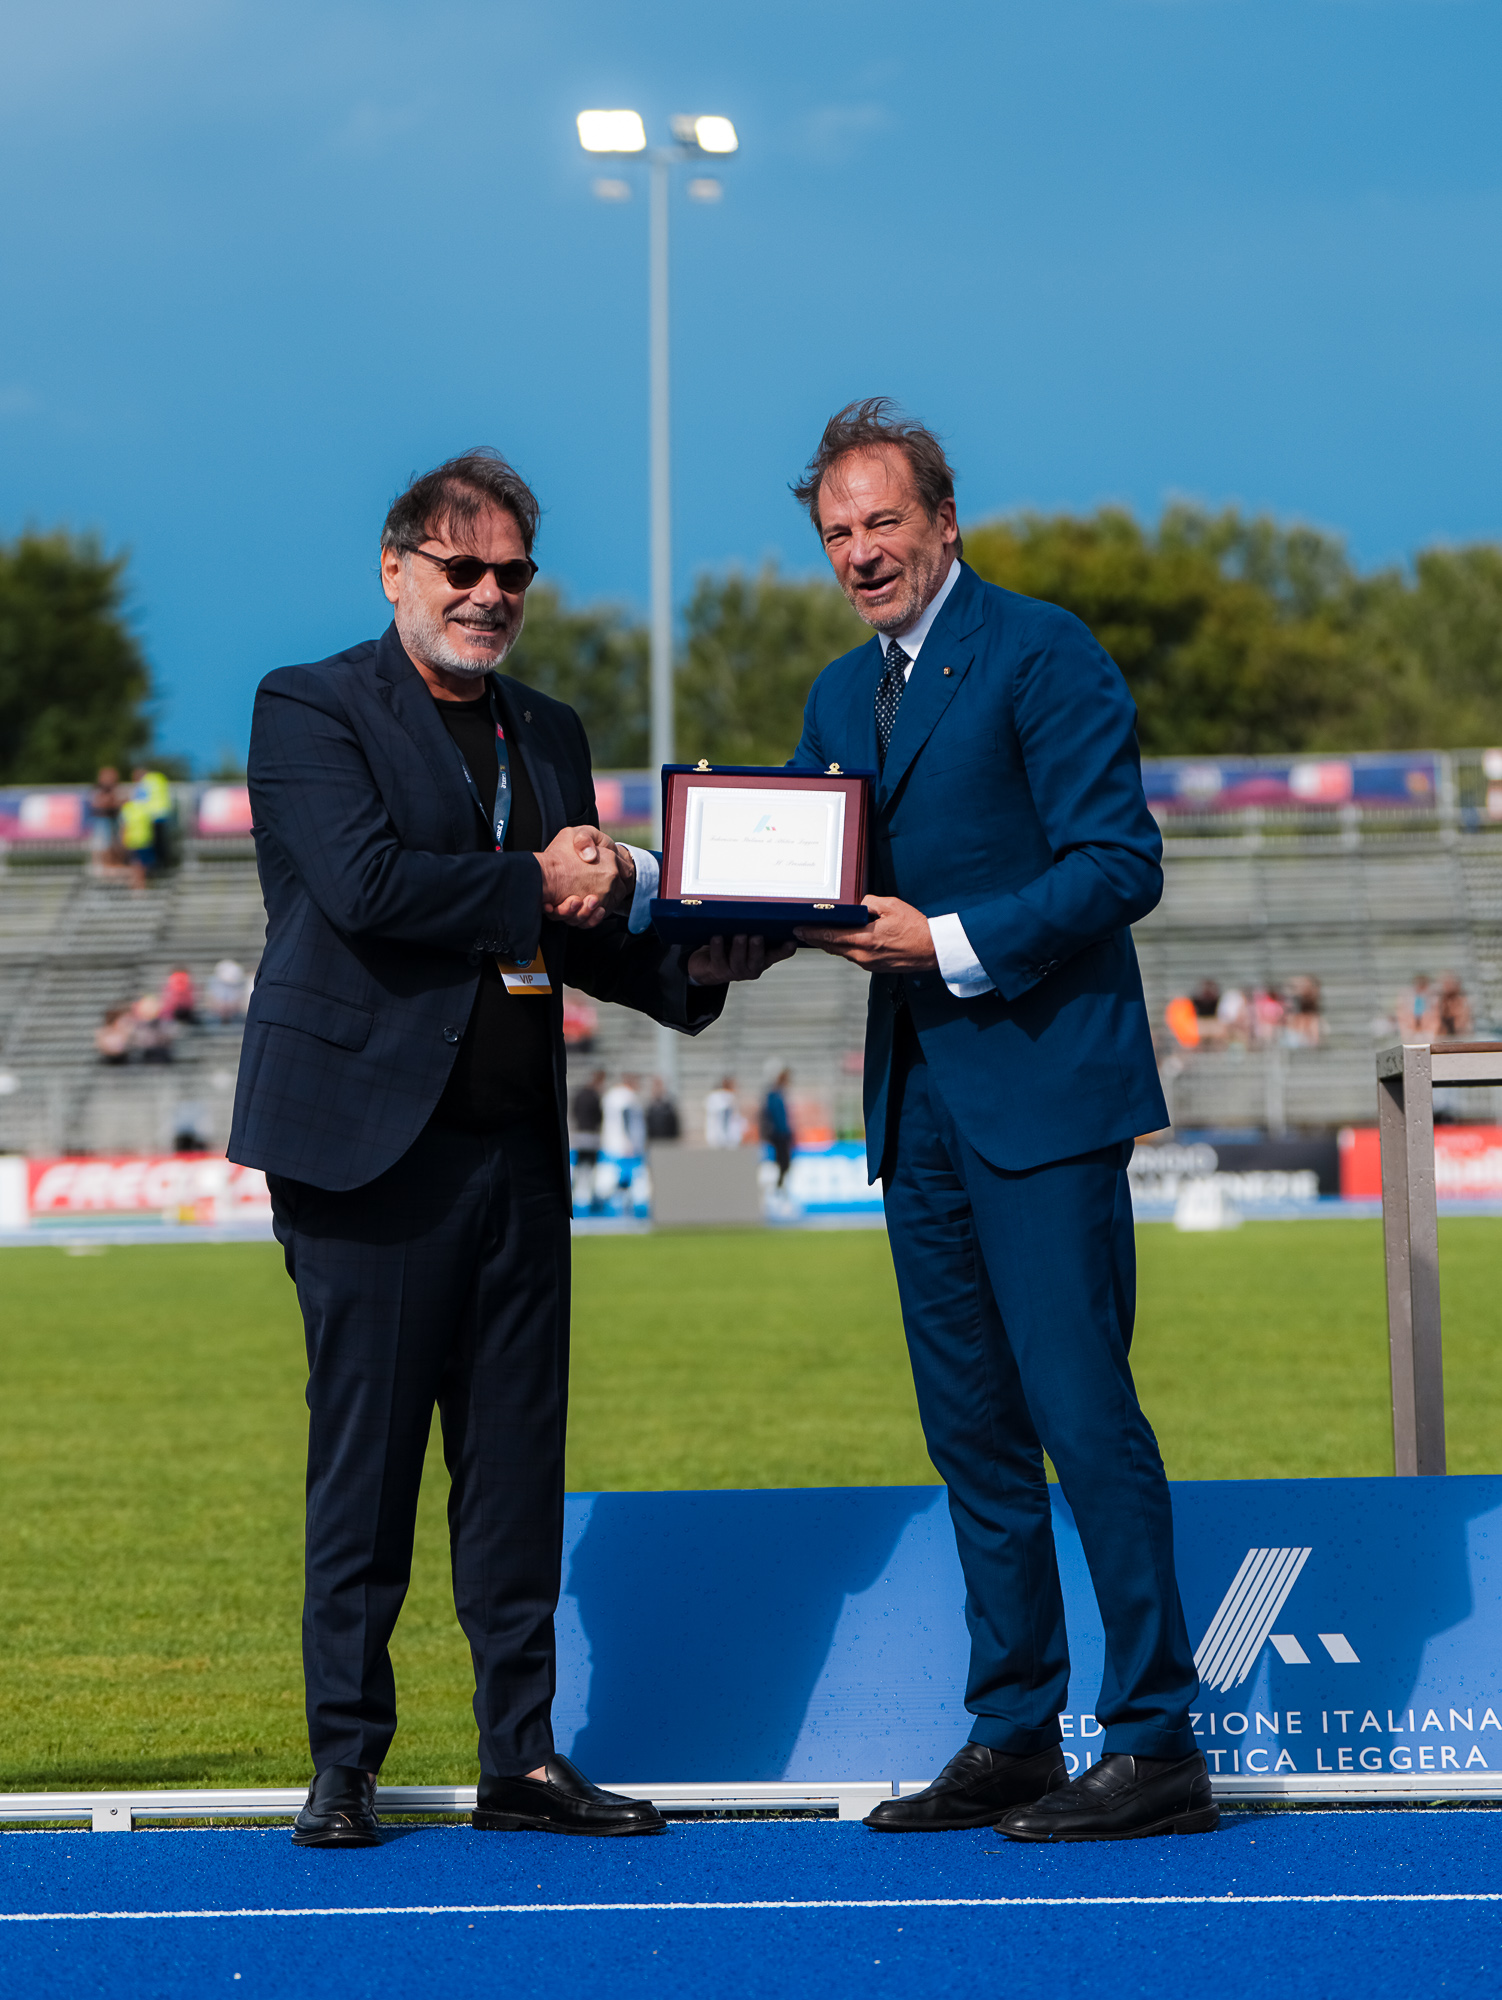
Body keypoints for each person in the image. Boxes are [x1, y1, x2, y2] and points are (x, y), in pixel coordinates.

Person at [227, 448, 786, 1849]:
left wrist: (696, 960)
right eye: (461, 566)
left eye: (512, 573)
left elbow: (571, 930)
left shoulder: (546, 728)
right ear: (394, 567)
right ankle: (345, 1759)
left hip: (516, 1151)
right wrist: (540, 875)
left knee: (516, 1471)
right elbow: (363, 885)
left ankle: (519, 1758)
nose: (488, 593)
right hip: (365, 1152)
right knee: (365, 1470)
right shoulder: (308, 705)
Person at [788, 401, 1211, 1843]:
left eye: (881, 522)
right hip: (916, 1104)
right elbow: (790, 870)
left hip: (1043, 1093)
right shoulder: (838, 696)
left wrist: (949, 941)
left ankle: (1153, 1740)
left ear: (944, 521)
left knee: (1083, 1419)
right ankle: (1014, 1728)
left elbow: (1119, 861)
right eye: (836, 533)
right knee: (969, 1434)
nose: (860, 552)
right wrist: (677, 898)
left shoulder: (1042, 649)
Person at [601, 1072, 644, 1194]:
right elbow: (626, 1118)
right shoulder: (627, 1096)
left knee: (612, 1174)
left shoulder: (611, 1095)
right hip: (624, 1144)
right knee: (627, 1176)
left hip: (611, 1141)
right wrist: (629, 1140)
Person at [569, 1067, 606, 1212]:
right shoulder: (594, 1096)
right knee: (588, 1169)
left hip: (580, 1134)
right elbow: (598, 1116)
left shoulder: (580, 1095)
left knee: (579, 1168)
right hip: (590, 1135)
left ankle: (578, 1197)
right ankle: (584, 1200)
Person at [760, 1066, 794, 1189]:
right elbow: (772, 1116)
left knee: (784, 1163)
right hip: (777, 1134)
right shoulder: (773, 1095)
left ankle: (780, 1186)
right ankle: (776, 1186)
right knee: (779, 1162)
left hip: (782, 1133)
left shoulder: (780, 1095)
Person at [703, 1076, 744, 1148]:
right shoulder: (717, 1095)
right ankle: (722, 1140)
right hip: (719, 1117)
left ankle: (727, 1139)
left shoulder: (729, 1095)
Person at [206, 958, 250, 1024]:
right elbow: (209, 1001)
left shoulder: (238, 984)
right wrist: (220, 1007)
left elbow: (240, 1002)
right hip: (216, 1015)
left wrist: (230, 1008)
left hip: (235, 1015)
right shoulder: (214, 982)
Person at [644, 1076, 681, 1142]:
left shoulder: (669, 1105)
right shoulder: (649, 1106)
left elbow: (674, 1126)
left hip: (667, 1141)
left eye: (659, 1086)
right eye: (656, 1086)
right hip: (653, 1141)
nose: (657, 1089)